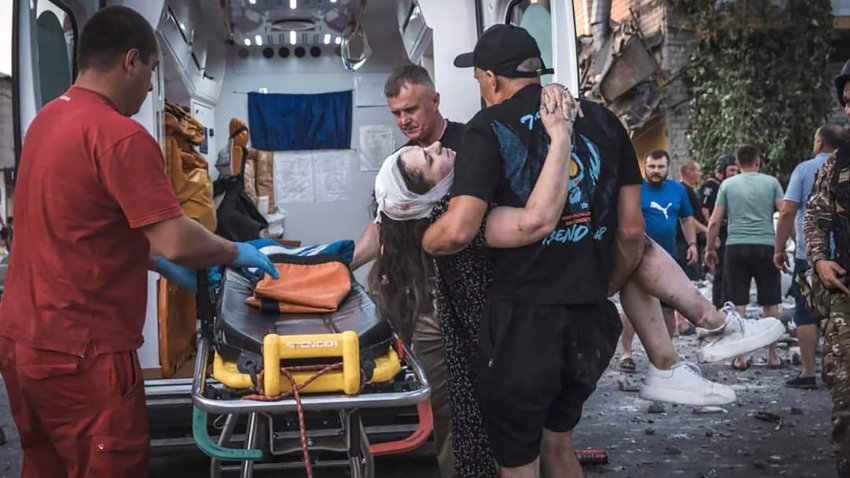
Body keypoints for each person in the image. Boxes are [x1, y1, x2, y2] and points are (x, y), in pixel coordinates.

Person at [0, 7, 278, 478]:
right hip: (86, 356)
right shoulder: (119, 135)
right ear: (131, 60)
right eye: (151, 70)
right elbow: (175, 238)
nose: (150, 86)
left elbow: (84, 231)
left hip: (23, 346)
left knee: (44, 467)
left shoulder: (46, 123)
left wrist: (154, 262)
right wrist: (235, 251)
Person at [420, 24, 646, 478]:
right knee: (560, 447)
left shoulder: (488, 128)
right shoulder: (603, 121)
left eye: (479, 80)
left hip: (524, 324)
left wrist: (424, 239)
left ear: (490, 78)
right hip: (591, 320)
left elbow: (460, 230)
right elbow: (631, 231)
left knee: (519, 463)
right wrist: (603, 285)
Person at [803, 59, 850, 477]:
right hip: (846, 294)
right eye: (848, 102)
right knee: (845, 401)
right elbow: (815, 216)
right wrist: (818, 259)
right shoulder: (836, 163)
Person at [775, 124, 843, 389]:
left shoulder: (804, 170)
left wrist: (779, 247)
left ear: (818, 143)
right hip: (844, 253)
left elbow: (788, 211)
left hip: (812, 254)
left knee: (806, 312)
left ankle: (807, 373)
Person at [706, 144, 784, 370]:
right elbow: (785, 212)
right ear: (758, 162)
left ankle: (741, 356)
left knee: (738, 303)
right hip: (766, 246)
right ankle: (773, 355)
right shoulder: (772, 183)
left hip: (736, 247)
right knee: (771, 301)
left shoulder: (727, 185)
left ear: (737, 164)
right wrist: (788, 244)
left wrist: (710, 248)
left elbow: (714, 221)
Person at [620, 150, 698, 371]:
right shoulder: (634, 189)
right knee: (632, 309)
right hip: (637, 258)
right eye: (652, 166)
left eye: (660, 167)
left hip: (669, 259)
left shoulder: (678, 190)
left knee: (668, 309)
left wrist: (692, 244)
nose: (655, 171)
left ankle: (664, 357)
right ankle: (626, 352)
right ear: (645, 167)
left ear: (668, 167)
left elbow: (686, 219)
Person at [700, 154, 740, 308]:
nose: (734, 173)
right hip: (718, 233)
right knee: (721, 271)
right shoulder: (712, 186)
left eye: (736, 170)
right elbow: (705, 211)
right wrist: (712, 234)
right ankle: (719, 305)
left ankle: (727, 303)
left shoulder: (728, 185)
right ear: (721, 170)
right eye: (731, 170)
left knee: (729, 271)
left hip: (729, 233)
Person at [676, 160, 708, 281]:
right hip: (685, 242)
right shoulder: (683, 191)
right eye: (698, 170)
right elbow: (688, 218)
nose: (700, 174)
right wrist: (707, 231)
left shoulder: (691, 190)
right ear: (690, 172)